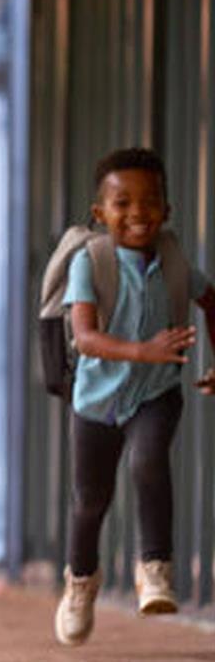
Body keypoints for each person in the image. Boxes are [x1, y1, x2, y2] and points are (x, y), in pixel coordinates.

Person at [55, 147, 215, 646]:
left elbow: (211, 300)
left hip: (156, 394)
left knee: (148, 462)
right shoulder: (92, 261)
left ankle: (155, 569)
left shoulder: (174, 263)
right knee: (91, 502)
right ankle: (81, 583)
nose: (138, 213)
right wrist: (144, 350)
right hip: (97, 401)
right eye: (122, 203)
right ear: (100, 214)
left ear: (167, 209)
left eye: (150, 202)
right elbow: (84, 337)